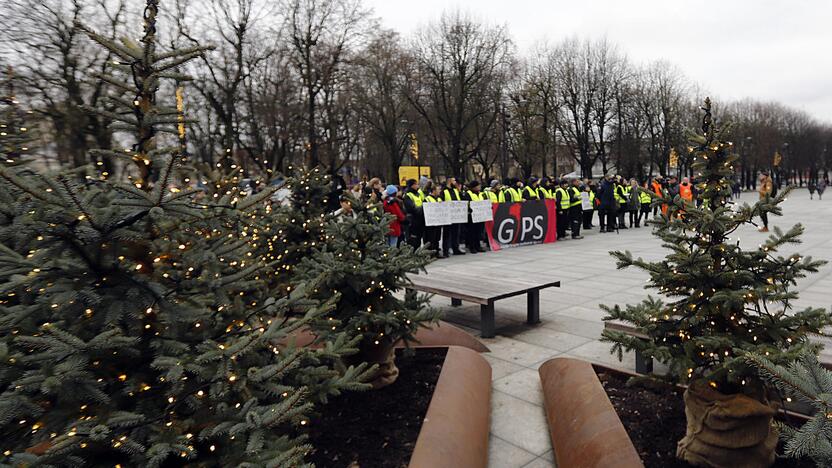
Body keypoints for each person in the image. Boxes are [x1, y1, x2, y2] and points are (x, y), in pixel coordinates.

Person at [442, 177, 465, 256]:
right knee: (447, 233)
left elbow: (462, 199)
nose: (455, 182)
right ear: (449, 181)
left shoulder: (455, 190)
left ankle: (456, 248)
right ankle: (446, 250)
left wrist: (459, 191)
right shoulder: (444, 191)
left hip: (456, 215)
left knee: (456, 232)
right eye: (454, 180)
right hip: (448, 215)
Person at [463, 180, 486, 253]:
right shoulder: (468, 194)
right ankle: (472, 247)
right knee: (472, 232)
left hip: (480, 216)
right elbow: (466, 203)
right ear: (474, 187)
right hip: (472, 216)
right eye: (478, 185)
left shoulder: (481, 194)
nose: (479, 187)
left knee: (478, 232)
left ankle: (478, 246)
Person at [422, 182, 443, 257]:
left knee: (437, 238)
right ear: (433, 190)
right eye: (438, 189)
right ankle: (429, 253)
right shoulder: (427, 199)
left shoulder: (439, 199)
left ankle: (436, 252)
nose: (440, 191)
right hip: (430, 224)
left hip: (438, 222)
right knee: (430, 239)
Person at [403, 179, 425, 249]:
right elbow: (411, 208)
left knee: (418, 238)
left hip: (420, 219)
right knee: (413, 239)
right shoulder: (407, 195)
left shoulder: (418, 194)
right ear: (412, 185)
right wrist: (422, 208)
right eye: (416, 184)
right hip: (412, 220)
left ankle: (417, 253)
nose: (417, 186)